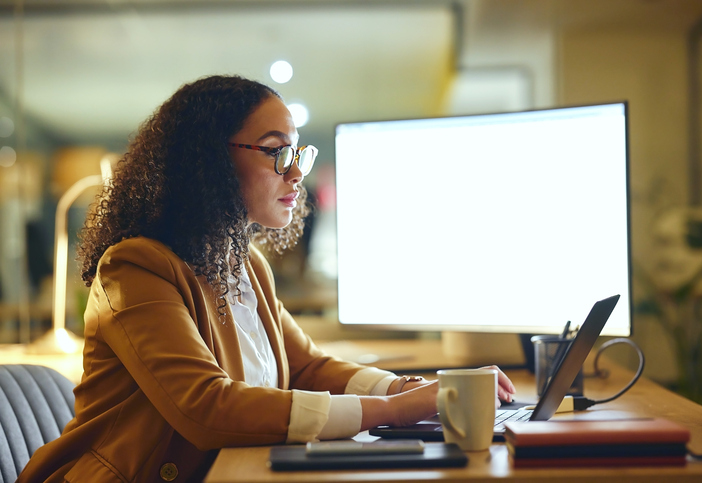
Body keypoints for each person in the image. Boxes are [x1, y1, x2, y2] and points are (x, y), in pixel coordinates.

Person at [18, 75, 516, 482]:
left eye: (298, 153)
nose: (296, 173)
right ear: (209, 160)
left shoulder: (246, 265)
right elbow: (206, 405)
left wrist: (413, 389)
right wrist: (396, 411)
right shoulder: (135, 267)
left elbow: (306, 368)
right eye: (277, 151)